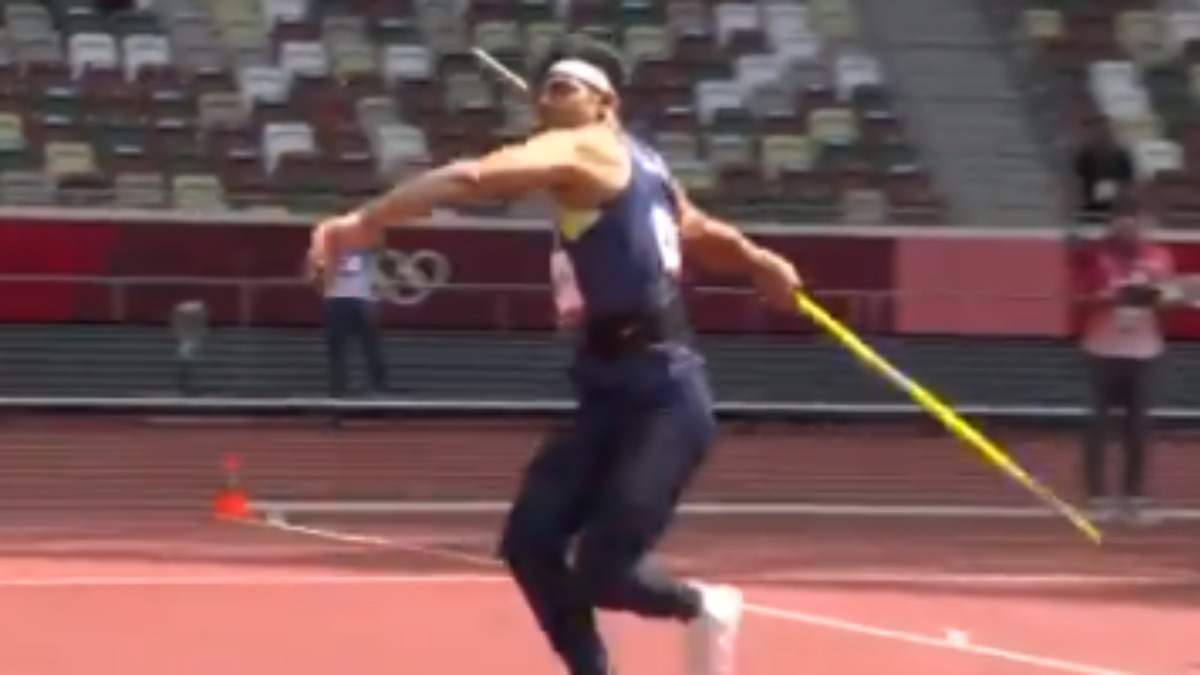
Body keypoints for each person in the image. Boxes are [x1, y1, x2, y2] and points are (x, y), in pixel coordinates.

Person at [309, 36, 800, 675]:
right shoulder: (641, 160)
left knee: (605, 570)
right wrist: (759, 261)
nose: (547, 97)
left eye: (564, 87)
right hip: (604, 388)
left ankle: (702, 603)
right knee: (530, 543)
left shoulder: (584, 147)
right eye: (543, 89)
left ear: (605, 102)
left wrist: (363, 220)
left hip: (663, 394)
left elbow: (473, 178)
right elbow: (699, 230)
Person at [1074, 202, 1172, 524]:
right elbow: (1079, 298)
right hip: (1101, 351)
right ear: (1113, 225)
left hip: (1144, 353)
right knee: (1097, 428)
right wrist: (1110, 297)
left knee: (1138, 430)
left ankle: (1133, 499)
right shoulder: (1095, 256)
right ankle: (1098, 498)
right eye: (1122, 224)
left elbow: (1169, 300)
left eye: (1134, 225)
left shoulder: (1159, 257)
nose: (1128, 231)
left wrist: (1155, 298)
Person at [311, 228, 389, 399]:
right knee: (359, 348)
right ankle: (344, 390)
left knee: (361, 348)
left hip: (348, 300)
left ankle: (369, 388)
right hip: (351, 300)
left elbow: (380, 245)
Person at [1070, 121, 1134, 229]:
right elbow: (1077, 182)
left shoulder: (1121, 155)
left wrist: (1125, 203)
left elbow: (1128, 183)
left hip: (1115, 208)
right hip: (1090, 208)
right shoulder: (1085, 155)